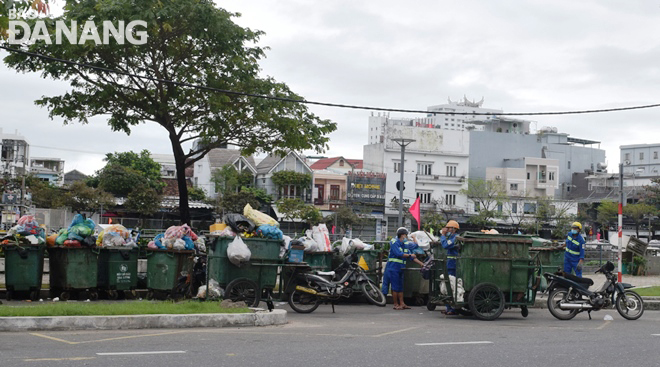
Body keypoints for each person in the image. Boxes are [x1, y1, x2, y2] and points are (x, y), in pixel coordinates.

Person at [381, 227, 423, 310]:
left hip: (401, 269)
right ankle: (396, 304)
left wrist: (422, 264)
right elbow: (398, 254)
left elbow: (412, 257)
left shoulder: (405, 244)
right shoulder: (394, 242)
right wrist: (410, 255)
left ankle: (402, 303)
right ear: (403, 235)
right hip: (393, 268)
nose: (406, 237)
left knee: (400, 287)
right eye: (406, 236)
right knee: (395, 287)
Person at [441, 220, 461, 315]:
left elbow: (445, 245)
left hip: (454, 264)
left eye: (448, 228)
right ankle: (448, 307)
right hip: (450, 264)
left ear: (453, 229)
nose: (447, 229)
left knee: (453, 286)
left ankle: (453, 308)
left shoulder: (456, 238)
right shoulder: (451, 237)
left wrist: (442, 235)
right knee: (448, 286)